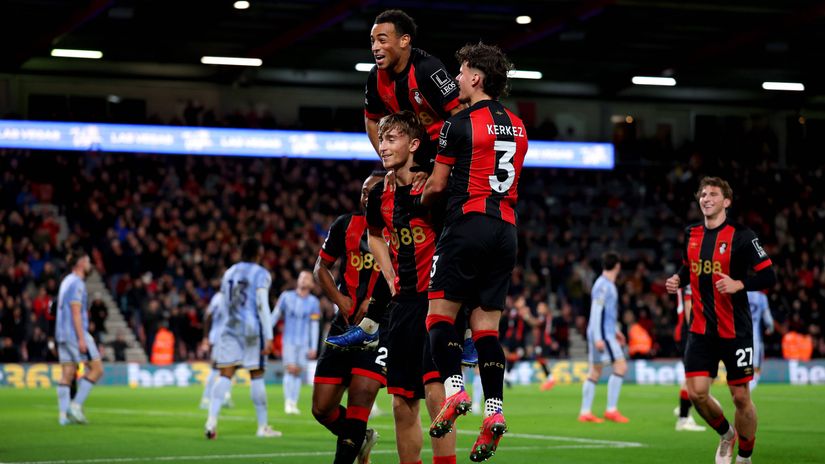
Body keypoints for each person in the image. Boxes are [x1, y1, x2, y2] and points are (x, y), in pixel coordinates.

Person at [421, 42, 527, 462]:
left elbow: (438, 185)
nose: (457, 79)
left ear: (477, 78)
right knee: (485, 331)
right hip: (507, 230)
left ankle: (454, 392)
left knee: (438, 318)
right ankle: (494, 413)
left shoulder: (458, 123)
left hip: (468, 224)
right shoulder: (519, 126)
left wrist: (421, 196)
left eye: (461, 72)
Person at [366, 111, 457, 464]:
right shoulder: (379, 196)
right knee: (402, 403)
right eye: (382, 139)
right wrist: (388, 275)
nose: (383, 146)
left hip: (435, 304)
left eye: (391, 139)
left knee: (437, 395)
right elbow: (374, 236)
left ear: (414, 144)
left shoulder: (433, 189)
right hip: (402, 306)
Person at [666, 176, 776, 464]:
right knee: (697, 394)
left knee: (741, 398)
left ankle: (745, 456)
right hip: (701, 329)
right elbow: (689, 266)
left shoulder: (743, 235)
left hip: (735, 330)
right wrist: (679, 278)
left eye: (713, 194)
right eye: (703, 194)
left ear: (726, 201)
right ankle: (727, 435)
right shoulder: (691, 234)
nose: (706, 198)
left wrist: (740, 284)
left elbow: (768, 274)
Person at [311, 171, 391, 464]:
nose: (366, 196)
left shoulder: (398, 229)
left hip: (379, 329)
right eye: (364, 191)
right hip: (343, 325)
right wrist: (339, 298)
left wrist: (376, 300)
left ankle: (349, 448)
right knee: (321, 409)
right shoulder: (345, 224)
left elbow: (410, 274)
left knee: (360, 400)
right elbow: (321, 267)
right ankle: (362, 437)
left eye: (373, 192)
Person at [204, 238, 281, 439]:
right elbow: (262, 305)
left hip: (229, 328)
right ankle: (262, 427)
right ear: (259, 253)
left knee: (225, 374)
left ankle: (211, 422)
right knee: (256, 374)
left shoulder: (229, 272)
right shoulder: (261, 273)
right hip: (251, 330)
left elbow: (223, 303)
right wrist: (269, 335)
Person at [578, 252, 630, 424]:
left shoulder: (605, 284)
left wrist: (615, 330)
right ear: (617, 266)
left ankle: (585, 412)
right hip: (602, 335)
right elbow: (596, 312)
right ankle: (611, 410)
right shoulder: (603, 286)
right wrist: (599, 337)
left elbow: (607, 314)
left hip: (605, 333)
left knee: (596, 371)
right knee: (621, 367)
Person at [55, 248, 103, 425]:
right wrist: (81, 338)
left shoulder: (66, 281)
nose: (90, 265)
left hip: (61, 334)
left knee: (67, 373)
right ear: (81, 263)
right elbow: (75, 311)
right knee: (97, 369)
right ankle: (75, 406)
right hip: (75, 333)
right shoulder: (77, 283)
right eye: (88, 261)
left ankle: (62, 417)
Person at [272, 270, 321, 415]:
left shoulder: (314, 302)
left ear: (312, 284)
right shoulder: (286, 297)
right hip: (289, 341)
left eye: (307, 278)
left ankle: (293, 403)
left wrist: (313, 346)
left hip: (304, 342)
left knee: (298, 372)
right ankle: (288, 402)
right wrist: (266, 332)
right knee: (290, 370)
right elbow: (275, 315)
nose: (304, 280)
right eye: (301, 277)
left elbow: (314, 325)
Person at [673, 285, 707, 432]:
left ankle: (683, 410)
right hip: (689, 331)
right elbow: (689, 305)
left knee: (695, 377)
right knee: (692, 378)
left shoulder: (688, 273)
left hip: (689, 330)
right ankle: (683, 418)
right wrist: (695, 334)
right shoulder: (690, 275)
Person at [200, 289, 233, 409]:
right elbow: (207, 317)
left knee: (229, 368)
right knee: (215, 368)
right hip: (219, 338)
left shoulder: (236, 298)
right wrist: (205, 337)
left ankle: (225, 397)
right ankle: (206, 398)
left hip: (231, 339)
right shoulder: (219, 298)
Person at [747, 290, 774, 390]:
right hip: (755, 337)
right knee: (756, 364)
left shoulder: (740, 292)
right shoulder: (761, 297)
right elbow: (767, 317)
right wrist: (770, 327)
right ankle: (751, 387)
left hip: (740, 335)